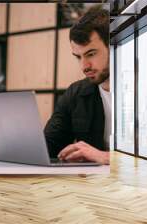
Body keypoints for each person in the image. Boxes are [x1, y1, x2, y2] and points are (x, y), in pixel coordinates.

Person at [44, 6, 111, 165]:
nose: (84, 66)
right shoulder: (75, 93)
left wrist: (106, 157)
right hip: (91, 185)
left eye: (91, 54)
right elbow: (49, 146)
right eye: (78, 57)